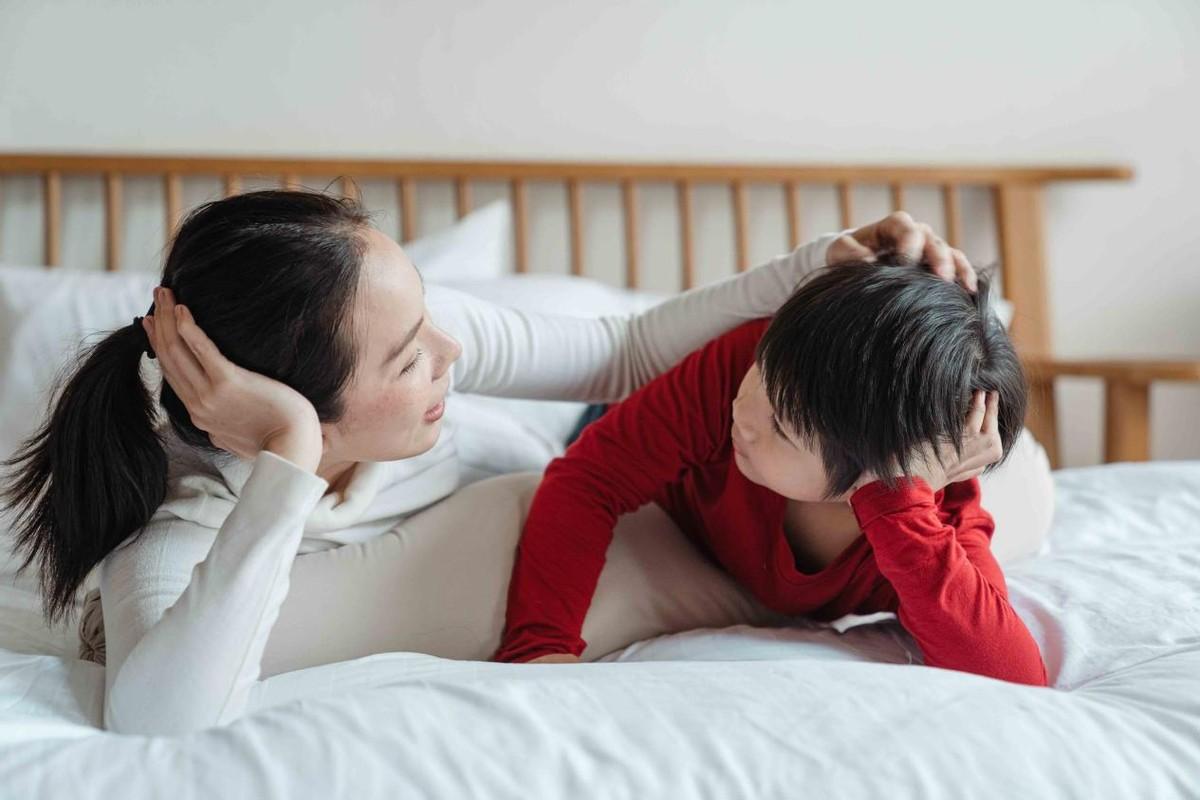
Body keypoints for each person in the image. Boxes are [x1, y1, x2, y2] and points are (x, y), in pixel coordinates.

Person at [0, 189, 979, 735]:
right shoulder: (177, 527)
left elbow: (625, 350)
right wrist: (289, 459)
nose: (451, 350)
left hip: (611, 442)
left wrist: (818, 267)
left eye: (429, 311)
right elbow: (158, 722)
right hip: (597, 480)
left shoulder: (417, 334)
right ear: (301, 406)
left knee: (967, 463)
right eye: (407, 359)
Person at [493, 259, 1048, 686]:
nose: (745, 411)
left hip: (889, 481)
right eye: (762, 370)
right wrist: (540, 647)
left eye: (781, 426)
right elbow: (590, 477)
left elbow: (1016, 678)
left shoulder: (927, 514)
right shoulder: (740, 370)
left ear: (875, 477)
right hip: (625, 419)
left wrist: (898, 503)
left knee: (1028, 483)